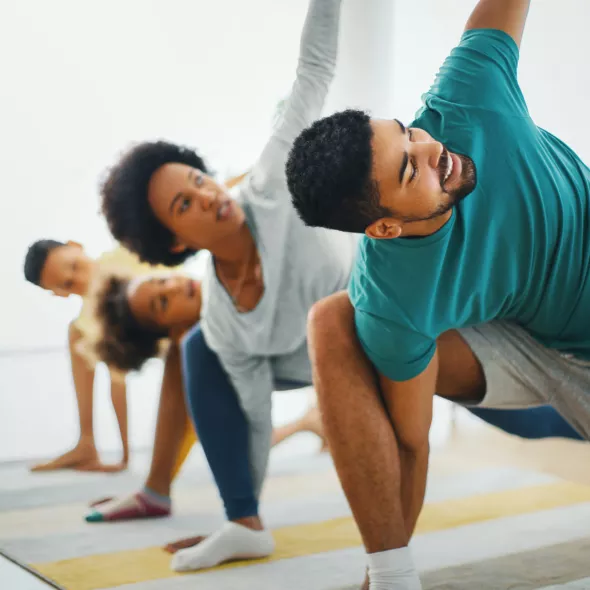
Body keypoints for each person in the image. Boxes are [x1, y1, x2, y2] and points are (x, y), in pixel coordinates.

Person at [286, 0, 590, 587]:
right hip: (533, 343)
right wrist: (391, 565)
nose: (431, 150)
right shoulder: (391, 297)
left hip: (548, 321)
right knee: (332, 322)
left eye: (408, 133)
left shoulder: (468, 94)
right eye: (409, 171)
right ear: (385, 227)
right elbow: (411, 444)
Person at [86, 272, 328, 526]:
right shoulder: (199, 351)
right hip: (306, 352)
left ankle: (157, 491)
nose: (174, 287)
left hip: (323, 336)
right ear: (174, 329)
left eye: (162, 280)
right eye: (163, 303)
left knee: (193, 350)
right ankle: (156, 490)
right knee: (191, 351)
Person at [23, 240, 142, 471]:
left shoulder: (121, 257)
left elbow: (118, 378)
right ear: (59, 293)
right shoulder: (90, 320)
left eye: (76, 265)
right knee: (77, 332)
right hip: (117, 330)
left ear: (76, 246)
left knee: (82, 332)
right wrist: (125, 458)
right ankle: (86, 442)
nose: (81, 279)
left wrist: (125, 458)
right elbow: (117, 380)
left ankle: (88, 445)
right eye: (68, 283)